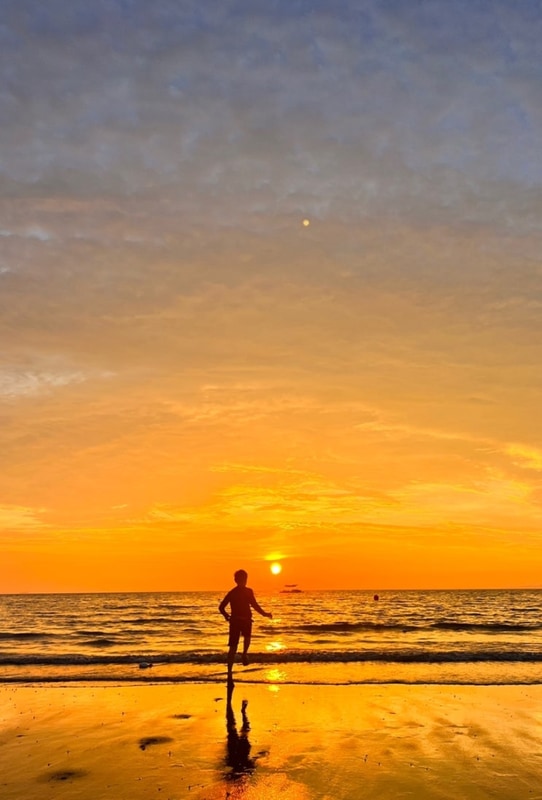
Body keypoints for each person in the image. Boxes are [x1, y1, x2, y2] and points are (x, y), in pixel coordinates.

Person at [219, 569, 272, 681]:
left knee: (244, 641)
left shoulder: (245, 591)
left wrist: (264, 614)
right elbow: (221, 607)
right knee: (233, 647)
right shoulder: (234, 592)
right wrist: (226, 616)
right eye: (242, 579)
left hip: (244, 621)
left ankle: (243, 655)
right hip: (237, 622)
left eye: (245, 579)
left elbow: (254, 605)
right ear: (236, 580)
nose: (244, 581)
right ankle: (230, 671)